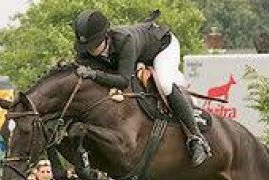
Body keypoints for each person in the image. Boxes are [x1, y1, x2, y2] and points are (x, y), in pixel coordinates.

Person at [73, 9, 210, 167]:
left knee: (165, 84)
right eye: (87, 46)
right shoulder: (86, 49)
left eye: (94, 45)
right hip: (140, 53)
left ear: (105, 36)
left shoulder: (124, 41)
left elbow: (123, 80)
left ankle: (197, 138)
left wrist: (94, 75)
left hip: (162, 47)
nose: (90, 50)